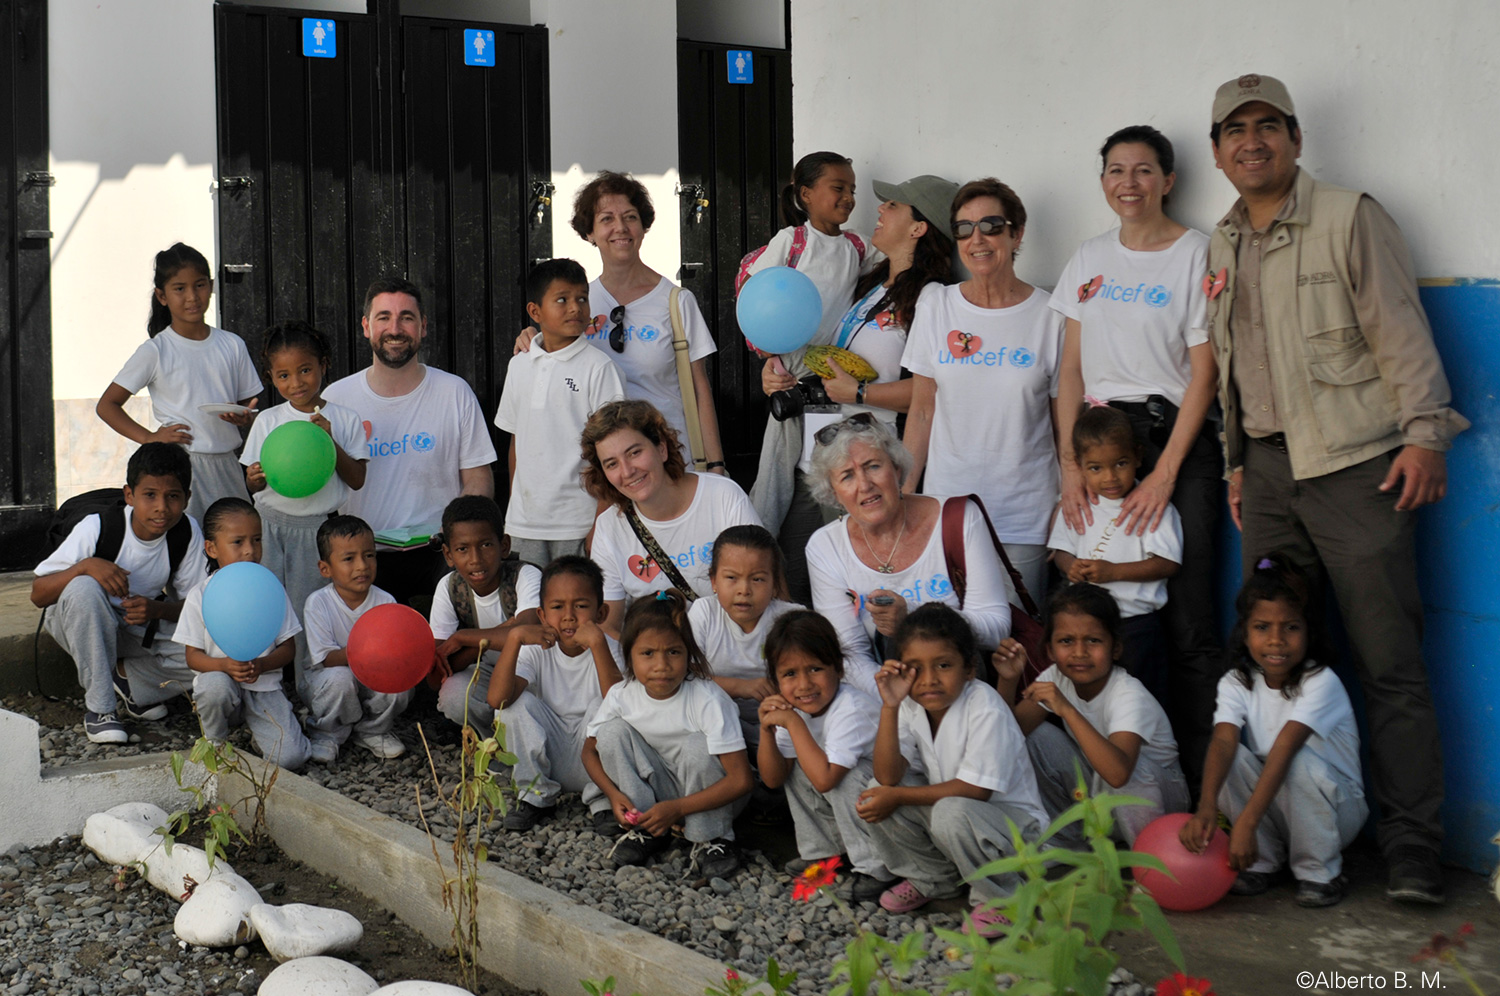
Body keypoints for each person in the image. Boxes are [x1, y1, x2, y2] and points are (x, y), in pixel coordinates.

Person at [1204, 73, 1467, 903]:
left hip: (1358, 467)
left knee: (1388, 662)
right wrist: (1237, 465)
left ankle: (1413, 848)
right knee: (1274, 662)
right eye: (1235, 130)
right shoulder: (1222, 241)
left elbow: (1399, 329)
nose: (1252, 141)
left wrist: (1425, 434)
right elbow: (1233, 364)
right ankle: (1288, 843)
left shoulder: (1351, 216)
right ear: (1217, 151)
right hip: (1268, 474)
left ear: (1295, 138)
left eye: (1267, 126)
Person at [1051, 126, 1223, 780]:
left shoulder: (1196, 253)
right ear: (1103, 182)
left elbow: (1204, 374)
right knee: (1086, 611)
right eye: (1116, 170)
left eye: (1144, 170)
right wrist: (1071, 466)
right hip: (1097, 438)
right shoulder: (1089, 257)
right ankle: (1090, 775)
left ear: (1168, 180)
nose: (1130, 182)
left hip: (1171, 436)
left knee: (1188, 618)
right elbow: (1071, 370)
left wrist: (1165, 474)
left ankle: (1196, 789)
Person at [902, 179, 1065, 601]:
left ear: (1017, 234)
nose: (977, 239)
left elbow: (1064, 423)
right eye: (964, 228)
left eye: (991, 226)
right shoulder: (936, 305)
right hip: (947, 511)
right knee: (946, 636)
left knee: (1018, 634)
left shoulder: (1051, 315)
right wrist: (904, 496)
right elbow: (922, 411)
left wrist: (1069, 500)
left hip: (1024, 516)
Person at [1181, 555, 1366, 908]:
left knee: (1295, 760)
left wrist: (1245, 824)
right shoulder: (1236, 681)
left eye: (1291, 627)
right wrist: (1206, 808)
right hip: (1278, 803)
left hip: (1337, 812)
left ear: (1309, 632)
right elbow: (1223, 740)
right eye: (1262, 627)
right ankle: (1262, 861)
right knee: (1232, 757)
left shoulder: (1320, 681)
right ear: (1245, 633)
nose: (1276, 640)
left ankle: (1320, 872)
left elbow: (1284, 747)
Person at [741, 152, 884, 605]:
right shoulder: (791, 242)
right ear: (805, 195)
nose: (849, 197)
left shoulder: (857, 247)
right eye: (838, 188)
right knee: (774, 486)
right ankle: (755, 569)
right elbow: (756, 298)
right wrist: (768, 359)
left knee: (823, 488)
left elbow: (895, 262)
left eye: (852, 190)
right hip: (791, 379)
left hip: (830, 385)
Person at [857, 603, 1048, 937]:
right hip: (961, 822)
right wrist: (890, 705)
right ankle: (935, 878)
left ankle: (1004, 899)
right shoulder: (909, 705)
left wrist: (897, 796)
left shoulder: (985, 706)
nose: (929, 679)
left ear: (969, 668)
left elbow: (976, 791)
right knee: (875, 790)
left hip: (1015, 834)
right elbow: (888, 777)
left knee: (944, 810)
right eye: (915, 668)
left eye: (943, 665)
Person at [516, 171, 727, 473]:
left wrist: (716, 464)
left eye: (630, 217)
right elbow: (556, 362)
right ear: (589, 232)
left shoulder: (676, 301)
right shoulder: (579, 304)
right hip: (603, 468)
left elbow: (698, 388)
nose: (620, 227)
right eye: (606, 219)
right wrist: (533, 338)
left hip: (669, 462)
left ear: (643, 226)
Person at [322, 278, 497, 605]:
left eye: (406, 317)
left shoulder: (454, 392)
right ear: (366, 326)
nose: (395, 328)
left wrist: (455, 535)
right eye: (384, 317)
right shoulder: (336, 399)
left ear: (423, 326)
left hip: (440, 557)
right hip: (363, 560)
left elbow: (478, 478)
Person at [804, 415, 1010, 680]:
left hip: (962, 687)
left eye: (873, 466)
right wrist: (893, 699)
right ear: (834, 494)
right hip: (882, 694)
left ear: (897, 469)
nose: (865, 485)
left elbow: (998, 629)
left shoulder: (959, 519)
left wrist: (912, 614)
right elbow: (851, 655)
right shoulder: (825, 547)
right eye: (847, 476)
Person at [32, 443, 207, 743]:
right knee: (85, 587)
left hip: (137, 625)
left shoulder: (186, 532)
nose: (161, 507)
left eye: (172, 496)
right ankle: (101, 709)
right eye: (149, 495)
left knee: (213, 651)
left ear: (187, 498)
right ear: (129, 495)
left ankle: (129, 682)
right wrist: (85, 566)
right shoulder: (98, 527)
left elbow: (196, 605)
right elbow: (38, 595)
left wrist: (157, 609)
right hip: (81, 620)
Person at [582, 589, 754, 876]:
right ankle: (647, 826)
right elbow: (589, 751)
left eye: (673, 652)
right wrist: (613, 795)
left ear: (688, 653)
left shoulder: (707, 699)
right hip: (664, 796)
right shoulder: (622, 694)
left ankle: (713, 838)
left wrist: (678, 808)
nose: (661, 666)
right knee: (611, 733)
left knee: (698, 746)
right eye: (647, 653)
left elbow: (741, 780)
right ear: (629, 656)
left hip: (712, 797)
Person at [1002, 584, 1188, 847]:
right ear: (1050, 650)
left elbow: (1119, 775)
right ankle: (1069, 843)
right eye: (1066, 641)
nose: (1080, 652)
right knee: (1034, 737)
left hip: (1159, 802)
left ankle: (1146, 856)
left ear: (1115, 648)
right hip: (1103, 790)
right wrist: (1008, 681)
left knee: (1128, 769)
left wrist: (1067, 709)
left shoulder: (1128, 694)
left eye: (1093, 640)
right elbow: (1007, 738)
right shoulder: (1055, 676)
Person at [96, 243, 263, 524]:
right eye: (179, 288)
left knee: (234, 538)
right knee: (185, 540)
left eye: (199, 285)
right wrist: (149, 438)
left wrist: (244, 416)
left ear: (211, 286)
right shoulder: (156, 350)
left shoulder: (232, 344)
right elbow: (107, 406)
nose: (192, 297)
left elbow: (248, 404)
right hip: (181, 466)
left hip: (227, 464)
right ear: (162, 296)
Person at [241, 321, 367, 679]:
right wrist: (253, 479)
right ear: (271, 378)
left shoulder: (344, 419)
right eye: (283, 376)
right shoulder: (268, 421)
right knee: (264, 605)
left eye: (305, 370)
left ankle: (309, 686)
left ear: (323, 365)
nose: (296, 383)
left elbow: (357, 479)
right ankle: (265, 683)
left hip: (315, 531)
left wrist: (330, 441)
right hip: (268, 525)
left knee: (305, 609)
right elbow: (253, 483)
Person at [582, 400, 761, 636]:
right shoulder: (609, 527)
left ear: (662, 448)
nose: (627, 471)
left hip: (732, 647)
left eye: (634, 453)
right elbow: (608, 626)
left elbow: (764, 587)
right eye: (612, 464)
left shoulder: (723, 496)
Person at [1046, 404, 1181, 701]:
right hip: (1085, 627)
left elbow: (1168, 564)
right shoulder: (1078, 505)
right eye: (1096, 468)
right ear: (1079, 466)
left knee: (1141, 700)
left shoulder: (1151, 506)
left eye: (1120, 464)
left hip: (1135, 625)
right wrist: (1071, 566)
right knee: (1090, 699)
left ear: (1138, 456)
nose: (1110, 477)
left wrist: (1113, 572)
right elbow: (1062, 552)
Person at [496, 258, 625, 567]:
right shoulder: (519, 365)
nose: (575, 308)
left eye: (582, 298)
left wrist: (600, 521)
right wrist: (515, 510)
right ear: (535, 312)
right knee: (530, 596)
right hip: (524, 525)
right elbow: (517, 441)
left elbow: (615, 450)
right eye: (562, 299)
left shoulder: (599, 368)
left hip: (579, 522)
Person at [756, 610, 892, 903]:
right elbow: (773, 779)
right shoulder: (796, 711)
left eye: (815, 669)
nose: (804, 684)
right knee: (796, 765)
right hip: (846, 795)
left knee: (843, 777)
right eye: (790, 674)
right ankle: (826, 852)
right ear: (775, 680)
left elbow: (826, 780)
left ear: (839, 668)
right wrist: (766, 729)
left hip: (891, 805)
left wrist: (793, 724)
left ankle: (876, 867)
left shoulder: (851, 708)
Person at [486, 556, 622, 833]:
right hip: (548, 756)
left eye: (581, 606)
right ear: (542, 615)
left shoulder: (610, 647)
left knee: (607, 706)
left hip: (596, 763)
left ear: (601, 613)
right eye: (558, 607)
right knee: (514, 705)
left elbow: (622, 707)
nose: (569, 616)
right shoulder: (536, 649)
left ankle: (602, 800)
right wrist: (514, 639)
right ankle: (535, 794)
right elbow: (497, 700)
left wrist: (598, 645)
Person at [174, 498, 310, 770]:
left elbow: (288, 648)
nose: (250, 550)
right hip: (222, 685)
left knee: (291, 759)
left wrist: (262, 664)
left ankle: (270, 734)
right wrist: (224, 665)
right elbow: (192, 656)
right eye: (238, 542)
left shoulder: (270, 589)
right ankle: (215, 741)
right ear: (211, 548)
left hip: (264, 688)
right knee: (213, 687)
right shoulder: (200, 595)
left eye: (256, 540)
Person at [300, 515, 416, 761]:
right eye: (349, 559)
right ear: (325, 568)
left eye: (369, 555)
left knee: (401, 681)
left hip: (372, 674)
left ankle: (373, 730)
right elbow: (327, 659)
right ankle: (327, 732)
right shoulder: (318, 603)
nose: (362, 566)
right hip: (327, 679)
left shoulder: (385, 601)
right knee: (341, 679)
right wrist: (369, 651)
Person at [430, 495, 542, 730]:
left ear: (504, 546)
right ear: (448, 555)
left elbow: (529, 633)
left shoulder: (525, 576)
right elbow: (436, 674)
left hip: (531, 674)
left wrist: (463, 638)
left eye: (486, 545)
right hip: (488, 673)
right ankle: (488, 739)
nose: (475, 559)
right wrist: (496, 634)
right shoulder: (450, 587)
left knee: (520, 705)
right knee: (454, 695)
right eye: (462, 549)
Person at [687, 525, 801, 744]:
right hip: (715, 724)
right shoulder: (705, 613)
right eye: (731, 577)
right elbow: (684, 676)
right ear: (714, 581)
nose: (744, 590)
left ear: (775, 584)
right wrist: (741, 686)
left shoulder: (791, 620)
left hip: (782, 726)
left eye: (757, 579)